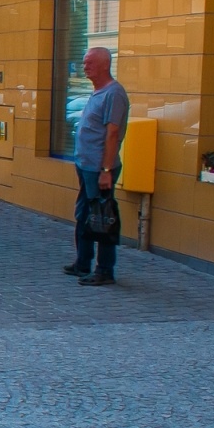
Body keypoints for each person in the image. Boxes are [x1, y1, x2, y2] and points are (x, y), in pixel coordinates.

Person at [66, 46, 129, 286]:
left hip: (99, 169)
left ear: (105, 64)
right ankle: (82, 262)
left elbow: (112, 134)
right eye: (84, 62)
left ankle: (104, 269)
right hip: (85, 165)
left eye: (90, 62)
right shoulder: (97, 92)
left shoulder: (114, 94)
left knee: (102, 218)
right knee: (84, 214)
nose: (85, 66)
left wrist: (105, 171)